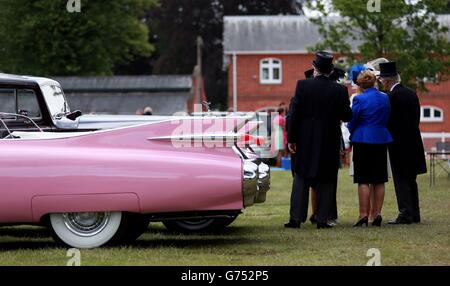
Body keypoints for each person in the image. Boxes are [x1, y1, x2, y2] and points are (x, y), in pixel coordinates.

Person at [285, 51, 352, 229]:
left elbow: (294, 115)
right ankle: (322, 219)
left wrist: (291, 139)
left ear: (314, 68)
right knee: (326, 179)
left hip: (304, 139)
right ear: (330, 71)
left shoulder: (302, 86)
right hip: (329, 140)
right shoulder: (340, 90)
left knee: (301, 177)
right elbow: (347, 116)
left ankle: (296, 219)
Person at [378, 62, 427, 224]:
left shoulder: (391, 97)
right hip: (413, 141)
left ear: (387, 81)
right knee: (411, 180)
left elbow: (389, 121)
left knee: (401, 181)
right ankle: (415, 213)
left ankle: (405, 214)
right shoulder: (411, 93)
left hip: (398, 144)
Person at [347, 71, 393, 227]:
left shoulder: (359, 99)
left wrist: (351, 130)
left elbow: (353, 120)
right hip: (381, 137)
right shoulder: (385, 97)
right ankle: (377, 214)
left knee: (363, 179)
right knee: (380, 179)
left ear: (360, 84)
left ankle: (363, 215)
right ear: (374, 82)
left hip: (363, 138)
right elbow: (387, 117)